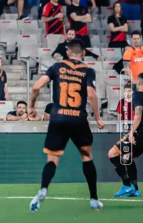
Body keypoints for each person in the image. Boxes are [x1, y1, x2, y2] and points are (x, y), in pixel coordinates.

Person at [28, 39, 105, 212]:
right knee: (86, 156)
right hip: (78, 119)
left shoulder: (57, 67)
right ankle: (93, 199)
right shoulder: (88, 70)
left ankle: (43, 189)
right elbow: (91, 95)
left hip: (58, 119)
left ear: (67, 52)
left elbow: (36, 87)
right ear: (83, 53)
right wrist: (98, 118)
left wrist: (31, 107)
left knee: (52, 159)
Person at [107, 73, 143, 198]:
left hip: (140, 134)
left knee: (112, 153)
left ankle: (127, 186)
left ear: (139, 82)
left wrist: (132, 132)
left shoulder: (138, 94)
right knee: (128, 156)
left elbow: (138, 113)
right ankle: (135, 189)